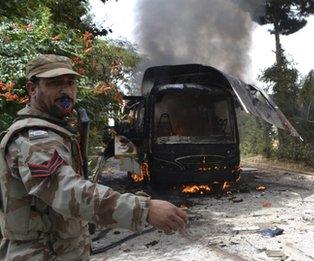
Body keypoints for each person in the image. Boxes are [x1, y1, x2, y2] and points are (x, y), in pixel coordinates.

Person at [0, 54, 188, 260]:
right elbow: (68, 191)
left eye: (70, 83)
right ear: (32, 89)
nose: (65, 91)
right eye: (54, 83)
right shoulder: (34, 139)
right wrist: (144, 210)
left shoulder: (56, 131)